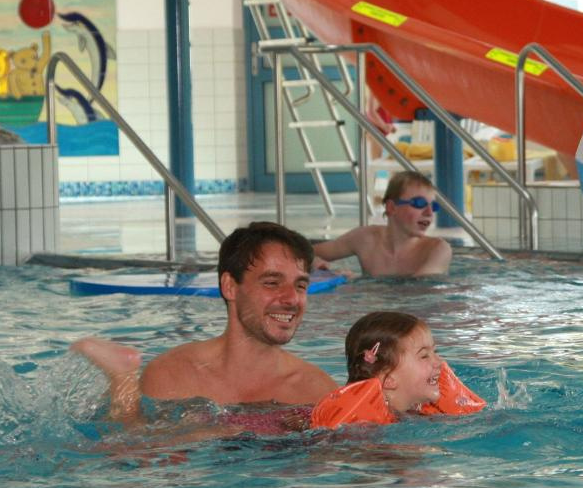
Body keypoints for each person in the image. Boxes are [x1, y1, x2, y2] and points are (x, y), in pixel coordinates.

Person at [77, 221, 338, 412]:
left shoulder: (317, 392)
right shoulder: (174, 375)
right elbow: (135, 461)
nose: (292, 298)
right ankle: (122, 380)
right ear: (230, 287)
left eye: (301, 286)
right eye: (271, 283)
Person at [310, 311, 485, 428]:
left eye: (435, 352)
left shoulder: (415, 413)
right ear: (388, 378)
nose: (439, 362)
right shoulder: (365, 429)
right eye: (424, 356)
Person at [313, 170, 453, 277]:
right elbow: (303, 252)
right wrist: (316, 263)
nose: (429, 212)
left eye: (434, 206)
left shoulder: (438, 250)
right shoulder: (365, 238)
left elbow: (420, 292)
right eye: (419, 203)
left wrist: (355, 283)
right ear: (391, 207)